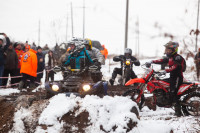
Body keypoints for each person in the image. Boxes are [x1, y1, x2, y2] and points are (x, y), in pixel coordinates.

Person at [146, 41, 185, 117]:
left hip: (177, 78)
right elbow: (161, 60)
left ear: (174, 50)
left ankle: (178, 112)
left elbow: (175, 67)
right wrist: (152, 61)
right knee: (162, 85)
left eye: (168, 49)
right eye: (166, 49)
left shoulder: (178, 57)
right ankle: (164, 99)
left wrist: (165, 71)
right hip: (172, 77)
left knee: (173, 93)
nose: (167, 51)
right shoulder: (170, 57)